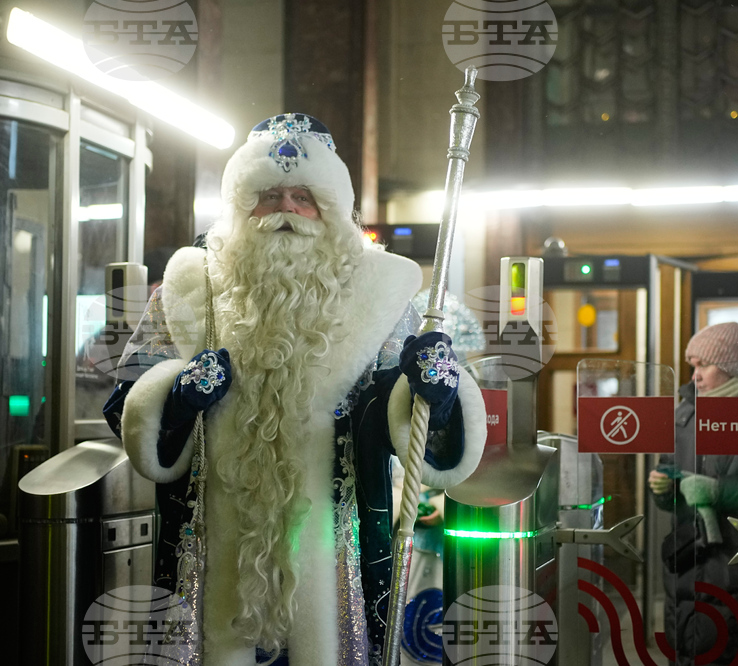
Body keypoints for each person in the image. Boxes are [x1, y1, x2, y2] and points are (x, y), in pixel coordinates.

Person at [102, 113, 487, 665]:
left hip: (340, 543)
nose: (286, 209)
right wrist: (181, 395)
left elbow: (411, 422)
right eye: (268, 194)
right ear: (240, 206)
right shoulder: (186, 291)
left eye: (304, 196)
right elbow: (125, 406)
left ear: (332, 210)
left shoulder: (382, 298)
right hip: (211, 541)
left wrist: (438, 389)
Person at [647, 322, 738, 666]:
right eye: (692, 365)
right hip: (688, 568)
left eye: (704, 365)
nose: (695, 375)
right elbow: (672, 479)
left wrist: (717, 490)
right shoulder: (686, 413)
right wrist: (661, 489)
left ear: (729, 367)